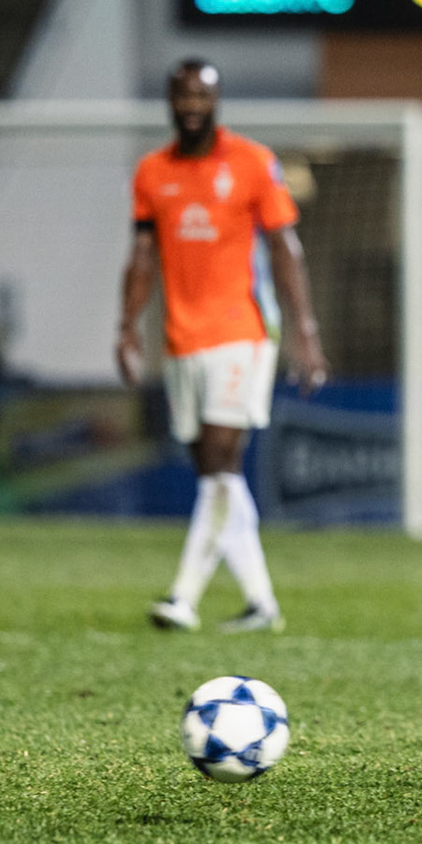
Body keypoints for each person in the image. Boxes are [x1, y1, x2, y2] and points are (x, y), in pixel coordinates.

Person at [116, 59, 328, 634]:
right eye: (182, 96)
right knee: (217, 474)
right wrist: (127, 325)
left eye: (201, 97)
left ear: (217, 101)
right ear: (169, 101)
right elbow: (141, 255)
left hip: (244, 332)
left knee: (219, 460)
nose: (191, 106)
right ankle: (262, 603)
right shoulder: (151, 173)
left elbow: (286, 249)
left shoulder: (253, 163)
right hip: (181, 340)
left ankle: (182, 597)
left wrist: (306, 333)